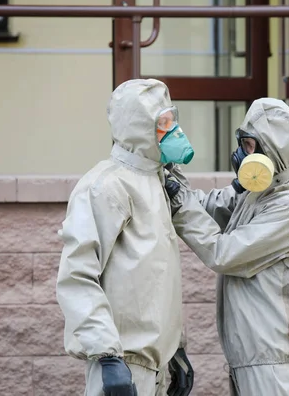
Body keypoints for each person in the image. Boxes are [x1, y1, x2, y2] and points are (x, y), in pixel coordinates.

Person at [165, 97, 289, 396]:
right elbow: (208, 207)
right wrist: (170, 176)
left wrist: (178, 204)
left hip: (275, 367)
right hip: (255, 360)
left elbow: (223, 253)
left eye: (249, 146)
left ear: (272, 150)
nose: (241, 153)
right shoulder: (263, 191)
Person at [55, 78, 194, 396]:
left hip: (156, 368)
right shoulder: (105, 185)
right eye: (162, 123)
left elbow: (158, 279)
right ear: (138, 126)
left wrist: (177, 350)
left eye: (171, 120)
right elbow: (77, 275)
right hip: (121, 369)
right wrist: (107, 356)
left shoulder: (157, 183)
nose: (171, 131)